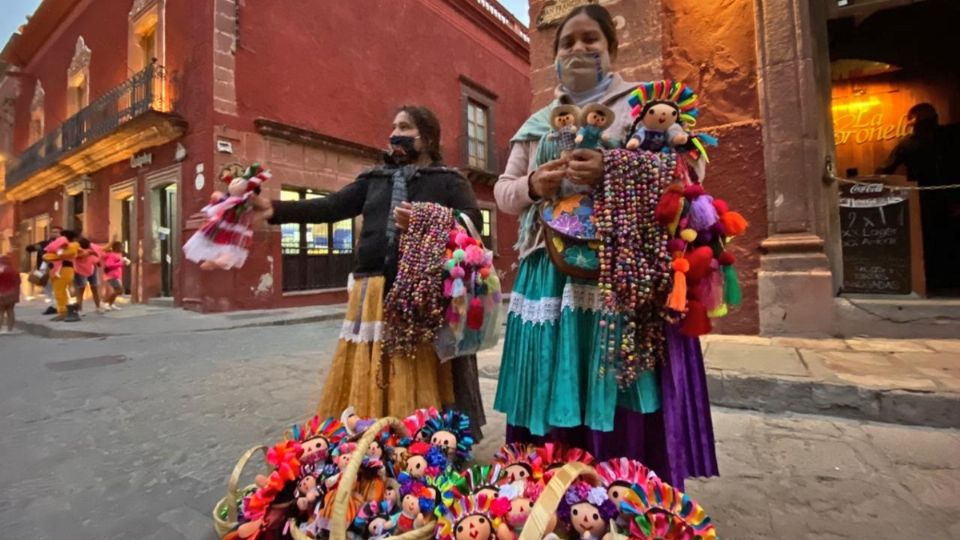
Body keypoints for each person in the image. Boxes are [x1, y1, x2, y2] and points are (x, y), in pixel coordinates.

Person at [493, 5, 718, 490]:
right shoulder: (536, 124)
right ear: (554, 56)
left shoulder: (643, 107)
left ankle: (622, 488)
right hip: (548, 269)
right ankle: (550, 490)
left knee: (617, 379)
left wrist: (612, 169)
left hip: (622, 271)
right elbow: (503, 192)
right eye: (568, 42)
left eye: (590, 39)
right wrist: (534, 183)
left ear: (611, 48)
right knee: (553, 376)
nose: (579, 49)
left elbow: (691, 175)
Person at [253, 105, 487, 436]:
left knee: (414, 365)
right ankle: (370, 440)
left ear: (428, 137)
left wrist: (423, 217)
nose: (395, 133)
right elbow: (329, 207)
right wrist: (275, 209)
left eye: (405, 126)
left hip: (419, 294)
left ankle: (420, 440)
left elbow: (473, 221)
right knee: (371, 365)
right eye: (393, 126)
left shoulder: (449, 181)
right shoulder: (373, 180)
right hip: (372, 287)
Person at [877, 103, 960, 295]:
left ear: (914, 120)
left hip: (924, 199)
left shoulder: (908, 143)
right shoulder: (951, 136)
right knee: (952, 237)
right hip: (951, 196)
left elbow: (884, 170)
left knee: (929, 240)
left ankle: (934, 282)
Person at [42, 229, 81, 322]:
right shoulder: (67, 246)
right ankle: (65, 311)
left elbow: (63, 255)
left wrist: (48, 257)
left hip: (63, 270)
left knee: (59, 292)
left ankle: (63, 313)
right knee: (60, 292)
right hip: (61, 270)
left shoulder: (72, 245)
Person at [25, 225, 63, 313]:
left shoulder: (63, 244)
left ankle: (59, 305)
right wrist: (34, 247)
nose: (54, 233)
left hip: (58, 268)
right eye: (53, 232)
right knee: (47, 287)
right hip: (43, 268)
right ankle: (53, 305)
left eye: (56, 232)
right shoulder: (44, 243)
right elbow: (28, 248)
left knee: (58, 287)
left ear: (61, 234)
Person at [74, 237, 104, 314]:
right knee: (82, 290)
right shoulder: (77, 250)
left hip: (91, 268)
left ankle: (97, 307)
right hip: (81, 270)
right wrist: (91, 253)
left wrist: (97, 261)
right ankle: (80, 309)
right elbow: (79, 256)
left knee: (92, 288)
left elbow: (98, 254)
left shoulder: (90, 248)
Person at [102, 242, 129, 311]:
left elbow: (118, 262)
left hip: (116, 276)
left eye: (122, 247)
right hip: (111, 276)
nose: (122, 248)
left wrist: (123, 261)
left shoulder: (118, 254)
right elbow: (109, 265)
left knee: (118, 290)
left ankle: (110, 304)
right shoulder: (112, 255)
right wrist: (121, 263)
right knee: (119, 290)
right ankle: (105, 302)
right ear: (116, 247)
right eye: (120, 247)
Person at [0, 254, 20, 334]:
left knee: (1, 312)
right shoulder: (14, 271)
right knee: (10, 311)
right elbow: (18, 282)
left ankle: (0, 329)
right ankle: (10, 329)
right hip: (12, 293)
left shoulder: (1, 270)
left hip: (1, 293)